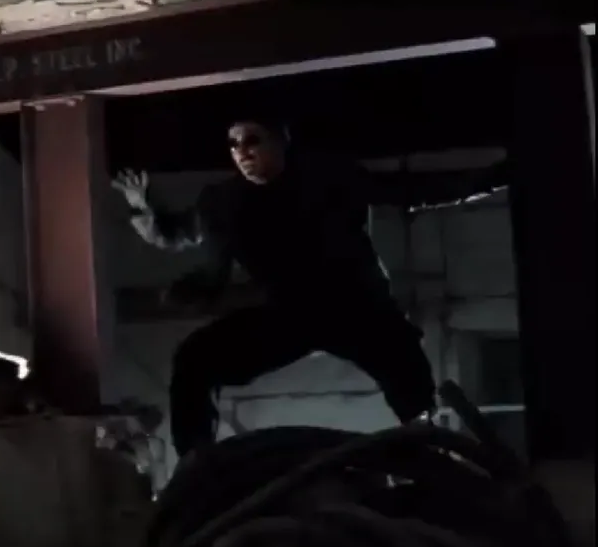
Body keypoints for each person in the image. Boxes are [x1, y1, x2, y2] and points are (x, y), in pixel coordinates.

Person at [112, 117, 508, 459]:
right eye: (233, 144)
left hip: (356, 308)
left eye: (252, 140)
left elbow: (410, 191)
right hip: (291, 314)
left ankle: (429, 452)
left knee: (407, 375)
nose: (242, 152)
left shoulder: (327, 179)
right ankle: (197, 464)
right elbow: (176, 233)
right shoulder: (224, 201)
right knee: (195, 359)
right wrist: (142, 208)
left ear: (281, 140)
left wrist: (491, 179)